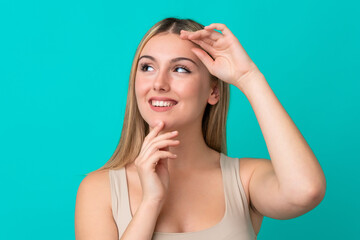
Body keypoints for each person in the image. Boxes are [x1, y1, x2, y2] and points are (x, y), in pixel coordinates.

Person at [75, 17, 326, 240]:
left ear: (213, 91)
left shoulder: (245, 180)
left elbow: (305, 191)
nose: (159, 83)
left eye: (180, 69)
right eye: (148, 67)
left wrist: (248, 77)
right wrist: (151, 202)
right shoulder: (99, 189)